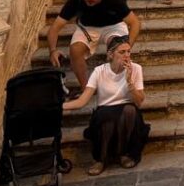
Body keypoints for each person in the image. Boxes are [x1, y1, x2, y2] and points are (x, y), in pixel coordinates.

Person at [61, 35, 149, 174]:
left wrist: (130, 82)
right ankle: (101, 159)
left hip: (127, 110)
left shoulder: (136, 69)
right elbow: (83, 100)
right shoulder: (99, 71)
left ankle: (124, 153)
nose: (126, 55)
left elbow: (139, 101)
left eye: (128, 52)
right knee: (106, 116)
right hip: (105, 110)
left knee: (129, 111)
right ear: (110, 54)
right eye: (122, 52)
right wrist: (60, 107)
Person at [47, 0, 143, 90]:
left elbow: (135, 23)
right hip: (88, 27)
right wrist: (52, 50)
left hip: (113, 26)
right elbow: (55, 27)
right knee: (75, 49)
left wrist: (128, 46)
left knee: (119, 49)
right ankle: (86, 88)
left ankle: (117, 86)